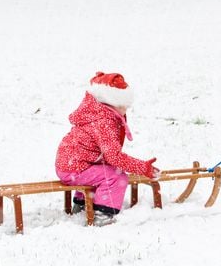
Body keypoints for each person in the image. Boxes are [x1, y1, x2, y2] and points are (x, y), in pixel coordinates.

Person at [55, 72, 159, 225]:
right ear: (114, 103)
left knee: (103, 170)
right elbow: (114, 157)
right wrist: (142, 167)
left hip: (70, 165)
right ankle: (103, 213)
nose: (126, 110)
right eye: (125, 106)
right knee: (116, 177)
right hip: (74, 168)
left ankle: (82, 203)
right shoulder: (104, 122)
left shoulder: (95, 112)